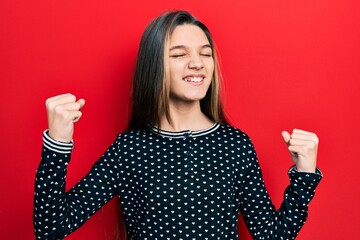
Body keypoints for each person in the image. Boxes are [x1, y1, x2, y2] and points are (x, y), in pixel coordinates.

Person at [33, 10, 322, 240]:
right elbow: (51, 228)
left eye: (205, 53)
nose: (197, 63)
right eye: (180, 54)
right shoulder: (130, 148)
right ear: (155, 65)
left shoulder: (236, 145)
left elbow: (272, 235)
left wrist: (304, 175)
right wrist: (57, 145)